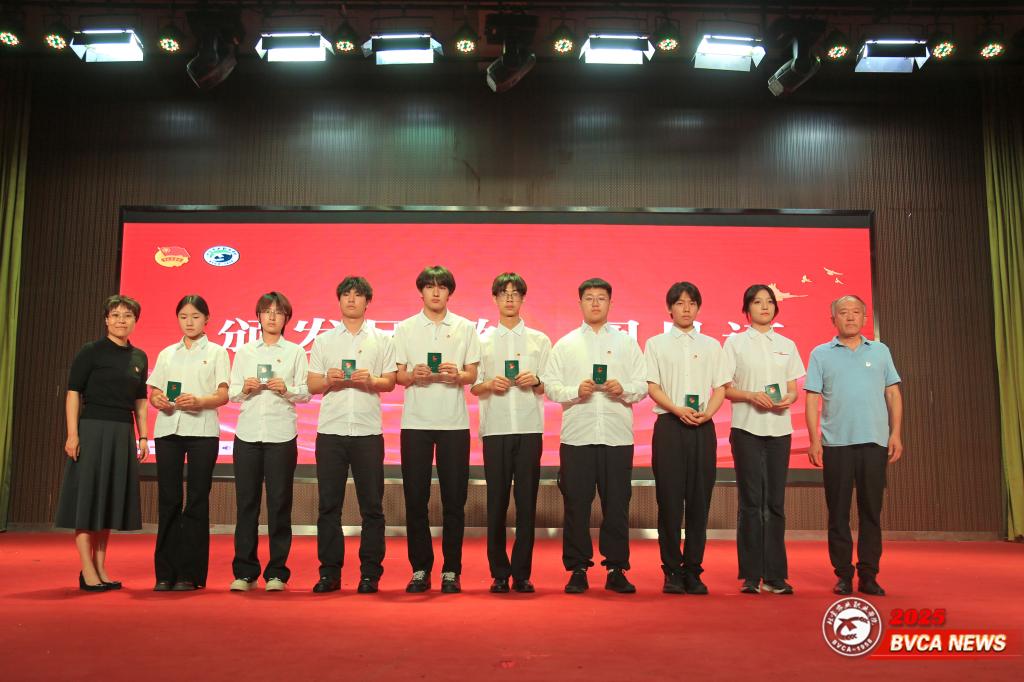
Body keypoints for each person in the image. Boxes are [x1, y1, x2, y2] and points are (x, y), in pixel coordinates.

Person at [543, 278, 647, 594]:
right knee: (576, 505)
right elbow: (550, 386)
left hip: (617, 437)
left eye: (601, 298)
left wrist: (623, 389)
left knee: (617, 506)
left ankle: (616, 568)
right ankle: (577, 568)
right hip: (578, 437)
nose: (595, 303)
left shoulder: (627, 344)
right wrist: (576, 391)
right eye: (589, 298)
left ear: (611, 303)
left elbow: (643, 385)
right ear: (580, 304)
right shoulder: (566, 344)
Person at [805, 294, 903, 597]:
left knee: (871, 511)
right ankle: (843, 575)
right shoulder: (821, 354)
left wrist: (896, 434)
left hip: (874, 442)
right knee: (838, 513)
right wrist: (814, 440)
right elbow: (812, 398)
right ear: (833, 319)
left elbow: (893, 394)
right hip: (836, 444)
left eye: (856, 312)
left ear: (865, 318)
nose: (850, 317)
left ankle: (869, 575)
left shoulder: (881, 351)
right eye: (843, 312)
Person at [394, 265, 481, 594]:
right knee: (415, 499)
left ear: (449, 292)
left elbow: (472, 374)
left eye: (441, 287)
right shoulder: (404, 328)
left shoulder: (465, 327)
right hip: (415, 423)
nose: (435, 292)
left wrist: (457, 375)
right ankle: (420, 568)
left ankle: (451, 570)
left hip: (453, 423)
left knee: (454, 500)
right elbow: (398, 376)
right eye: (429, 286)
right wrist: (413, 375)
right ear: (421, 291)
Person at [307, 277, 397, 594]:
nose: (351, 300)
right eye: (346, 294)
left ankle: (370, 574)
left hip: (367, 431)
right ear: (339, 300)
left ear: (367, 302)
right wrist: (328, 380)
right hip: (330, 431)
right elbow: (312, 385)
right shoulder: (324, 341)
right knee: (328, 506)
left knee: (372, 507)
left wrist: (371, 380)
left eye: (358, 295)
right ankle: (329, 574)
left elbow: (390, 382)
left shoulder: (382, 340)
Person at [56, 295, 148, 592]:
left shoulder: (139, 357)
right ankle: (87, 569)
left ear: (135, 321)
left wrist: (143, 435)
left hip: (122, 432)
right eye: (116, 315)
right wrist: (73, 434)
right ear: (106, 320)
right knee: (88, 500)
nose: (122, 320)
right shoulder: (91, 352)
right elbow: (73, 392)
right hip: (93, 429)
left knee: (108, 500)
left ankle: (100, 567)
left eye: (128, 316)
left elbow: (140, 401)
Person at [644, 281, 729, 595]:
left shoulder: (712, 345)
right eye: (679, 303)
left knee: (698, 502)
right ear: (670, 308)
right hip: (669, 425)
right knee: (668, 502)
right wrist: (677, 409)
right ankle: (671, 571)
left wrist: (708, 413)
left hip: (702, 427)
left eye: (691, 303)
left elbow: (720, 387)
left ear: (698, 308)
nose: (686, 308)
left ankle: (693, 570)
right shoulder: (655, 344)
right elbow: (652, 386)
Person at [471, 273, 551, 594]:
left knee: (526, 503)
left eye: (515, 293)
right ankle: (499, 573)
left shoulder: (539, 340)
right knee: (497, 502)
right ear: (494, 299)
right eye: (503, 293)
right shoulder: (482, 341)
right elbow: (474, 385)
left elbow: (549, 385)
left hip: (529, 429)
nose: (509, 298)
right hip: (496, 429)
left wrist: (536, 381)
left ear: (522, 299)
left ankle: (522, 573)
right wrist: (490, 384)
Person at [722, 285, 805, 595]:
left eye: (769, 302)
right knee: (751, 502)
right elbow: (724, 388)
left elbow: (793, 389)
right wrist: (751, 396)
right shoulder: (734, 343)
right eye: (757, 302)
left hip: (779, 430)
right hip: (746, 428)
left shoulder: (787, 344)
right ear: (747, 309)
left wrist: (789, 399)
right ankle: (751, 575)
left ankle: (775, 575)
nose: (765, 307)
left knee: (775, 503)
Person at [228, 292, 310, 592]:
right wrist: (245, 388)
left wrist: (286, 389)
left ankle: (277, 573)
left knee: (279, 504)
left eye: (278, 312)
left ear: (286, 318)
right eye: (267, 311)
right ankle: (245, 572)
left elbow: (306, 393)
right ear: (259, 316)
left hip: (281, 435)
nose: (272, 316)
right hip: (247, 435)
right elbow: (232, 392)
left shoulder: (296, 352)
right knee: (246, 505)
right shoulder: (245, 351)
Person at [147, 295, 230, 591]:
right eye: (184, 317)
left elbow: (223, 395)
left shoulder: (218, 352)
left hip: (202, 431)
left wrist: (199, 402)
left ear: (207, 319)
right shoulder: (167, 353)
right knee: (168, 500)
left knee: (196, 500)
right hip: (168, 430)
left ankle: (189, 574)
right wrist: (158, 400)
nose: (189, 322)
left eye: (195, 316)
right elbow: (154, 392)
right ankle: (165, 573)